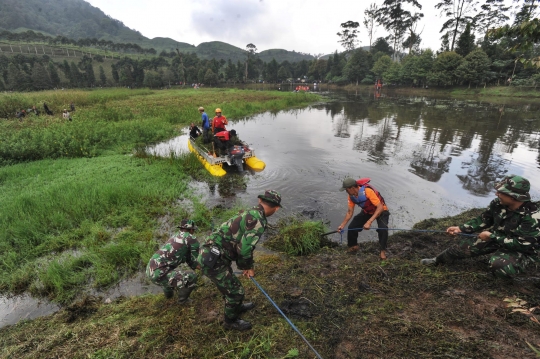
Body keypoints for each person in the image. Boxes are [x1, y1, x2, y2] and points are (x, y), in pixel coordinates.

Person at [421, 175, 540, 279]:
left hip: (523, 250)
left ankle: (520, 272)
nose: (496, 194)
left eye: (501, 192)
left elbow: (522, 244)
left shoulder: (532, 217)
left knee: (499, 266)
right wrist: (461, 228)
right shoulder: (498, 203)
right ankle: (437, 260)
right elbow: (484, 219)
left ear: (513, 197)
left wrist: (492, 236)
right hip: (498, 237)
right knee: (461, 247)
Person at [197, 190, 282, 331]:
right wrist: (247, 267)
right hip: (213, 260)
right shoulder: (259, 220)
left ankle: (236, 306)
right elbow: (245, 250)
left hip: (213, 253)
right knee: (237, 292)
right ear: (277, 208)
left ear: (260, 201)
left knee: (230, 285)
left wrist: (244, 265)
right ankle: (230, 321)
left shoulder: (251, 211)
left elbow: (239, 244)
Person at [146, 219, 200, 302]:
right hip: (159, 273)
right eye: (194, 230)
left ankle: (169, 297)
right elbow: (198, 259)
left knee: (167, 275)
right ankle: (183, 301)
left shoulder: (175, 236)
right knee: (192, 277)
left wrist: (195, 265)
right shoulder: (191, 238)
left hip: (150, 269)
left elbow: (190, 260)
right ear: (192, 230)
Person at [337, 177, 390, 260]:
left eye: (347, 190)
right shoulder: (351, 197)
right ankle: (353, 246)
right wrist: (342, 225)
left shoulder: (367, 191)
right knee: (352, 227)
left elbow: (380, 208)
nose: (346, 192)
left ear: (352, 188)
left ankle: (382, 251)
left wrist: (369, 222)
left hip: (382, 211)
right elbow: (349, 212)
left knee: (383, 229)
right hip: (368, 212)